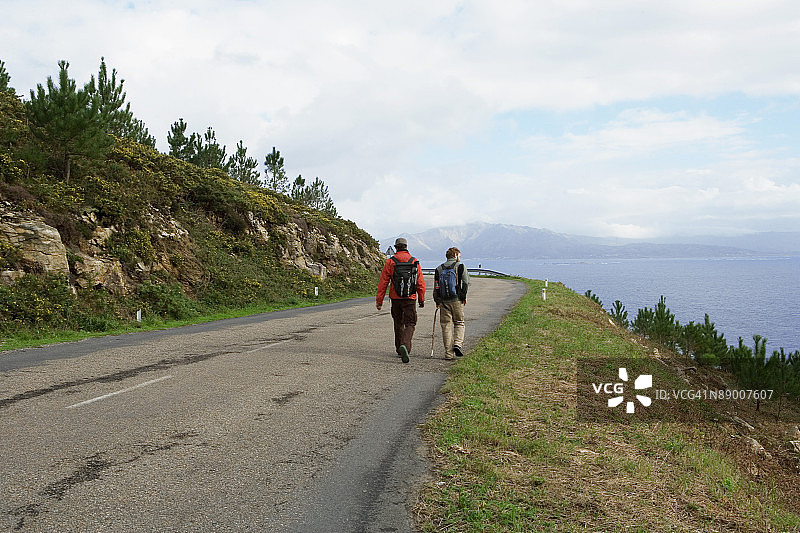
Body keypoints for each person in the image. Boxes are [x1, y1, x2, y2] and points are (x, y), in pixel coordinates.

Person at [376, 237, 425, 363]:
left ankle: (399, 349)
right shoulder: (414, 261)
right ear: (406, 246)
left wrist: (379, 301)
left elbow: (383, 282)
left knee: (398, 322)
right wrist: (421, 299)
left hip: (395, 298)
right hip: (410, 298)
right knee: (410, 323)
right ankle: (406, 346)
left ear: (396, 247)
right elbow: (420, 282)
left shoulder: (390, 262)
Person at [433, 247, 470, 360]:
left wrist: (437, 300)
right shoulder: (460, 266)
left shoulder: (439, 269)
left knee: (446, 326)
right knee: (459, 322)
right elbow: (466, 282)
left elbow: (436, 286)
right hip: (456, 300)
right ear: (455, 255)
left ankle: (448, 354)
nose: (460, 258)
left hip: (444, 301)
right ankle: (457, 344)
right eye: (459, 255)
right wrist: (463, 296)